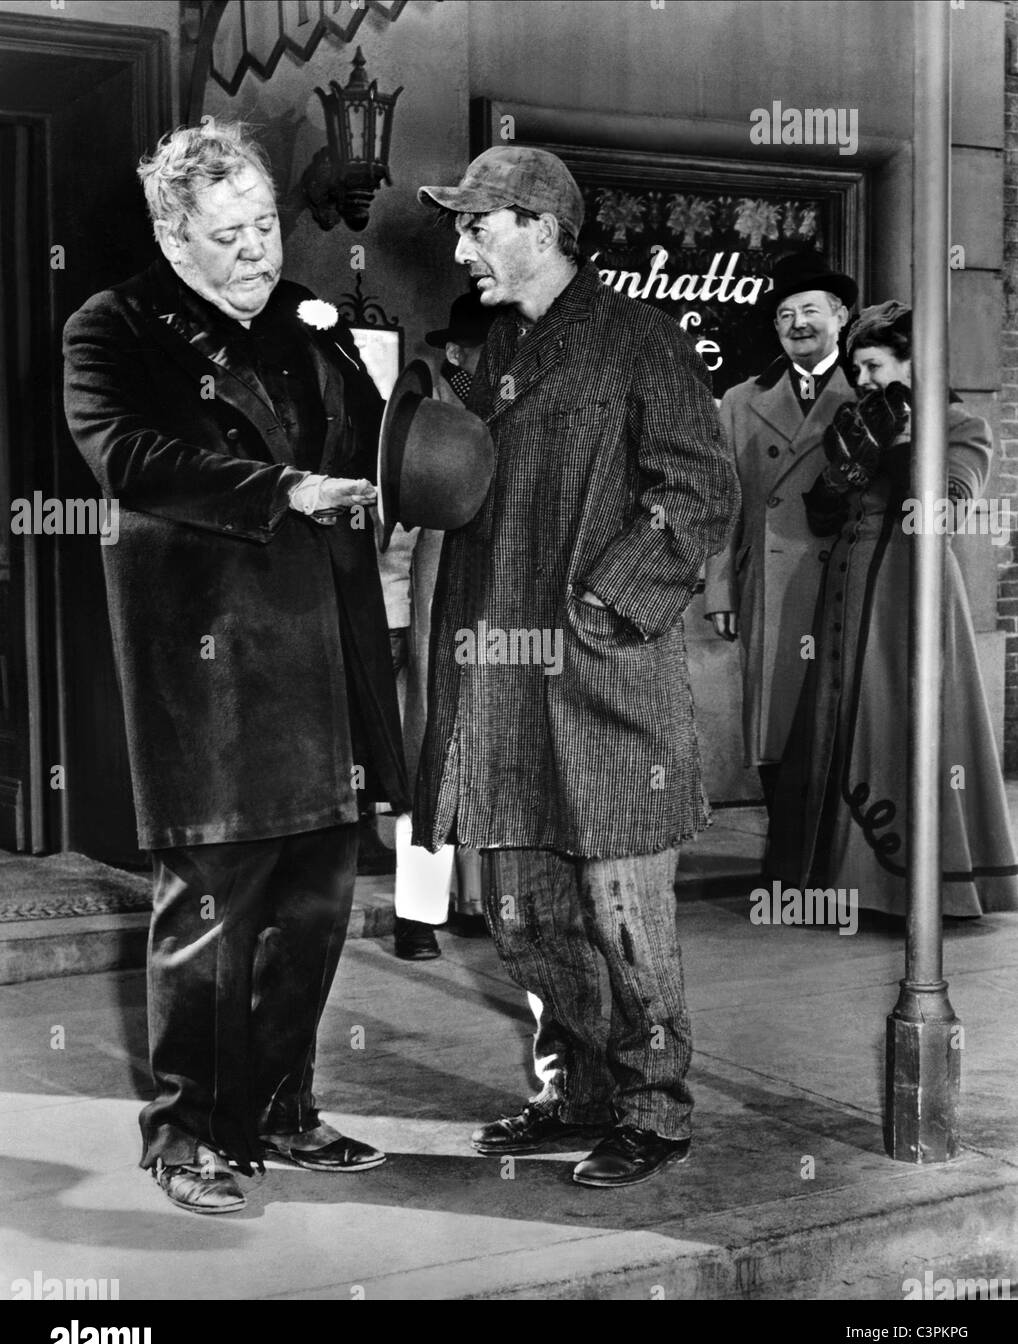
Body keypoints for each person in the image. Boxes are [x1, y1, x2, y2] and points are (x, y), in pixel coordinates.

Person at [62, 119, 408, 1214]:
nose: (260, 249)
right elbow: (125, 455)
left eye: (265, 224)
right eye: (229, 234)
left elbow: (374, 446)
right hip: (208, 666)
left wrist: (400, 425)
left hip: (325, 658)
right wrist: (278, 490)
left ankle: (279, 1108)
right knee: (211, 907)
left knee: (314, 903)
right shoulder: (114, 325)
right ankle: (189, 1133)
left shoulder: (314, 326)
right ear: (174, 233)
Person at [415, 146, 738, 1187]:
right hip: (503, 686)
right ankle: (575, 1092)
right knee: (526, 909)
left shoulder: (639, 340)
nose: (461, 248)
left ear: (541, 226)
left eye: (478, 226)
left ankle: (655, 1108)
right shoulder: (490, 352)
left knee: (624, 913)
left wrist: (607, 603)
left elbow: (697, 491)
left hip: (602, 683)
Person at [766, 300, 1018, 918]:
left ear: (913, 362)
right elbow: (822, 517)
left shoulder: (959, 425)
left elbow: (943, 507)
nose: (864, 380)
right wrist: (843, 471)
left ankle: (904, 892)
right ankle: (829, 884)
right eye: (857, 369)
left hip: (910, 596)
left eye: (875, 365)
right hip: (846, 598)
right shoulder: (855, 423)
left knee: (895, 722)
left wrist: (900, 445)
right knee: (834, 723)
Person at [704, 251, 858, 814]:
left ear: (840, 316)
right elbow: (725, 502)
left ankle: (839, 857)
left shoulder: (873, 392)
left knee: (845, 724)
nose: (798, 324)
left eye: (811, 310)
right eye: (786, 314)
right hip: (768, 584)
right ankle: (787, 860)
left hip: (849, 577)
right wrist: (720, 589)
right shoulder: (742, 400)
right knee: (777, 725)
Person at [376, 291, 496, 961]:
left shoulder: (503, 412)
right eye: (486, 346)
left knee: (485, 753)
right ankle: (418, 913)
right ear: (455, 351)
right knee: (429, 760)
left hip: (493, 607)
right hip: (428, 607)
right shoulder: (423, 422)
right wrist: (391, 628)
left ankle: (476, 899)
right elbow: (391, 539)